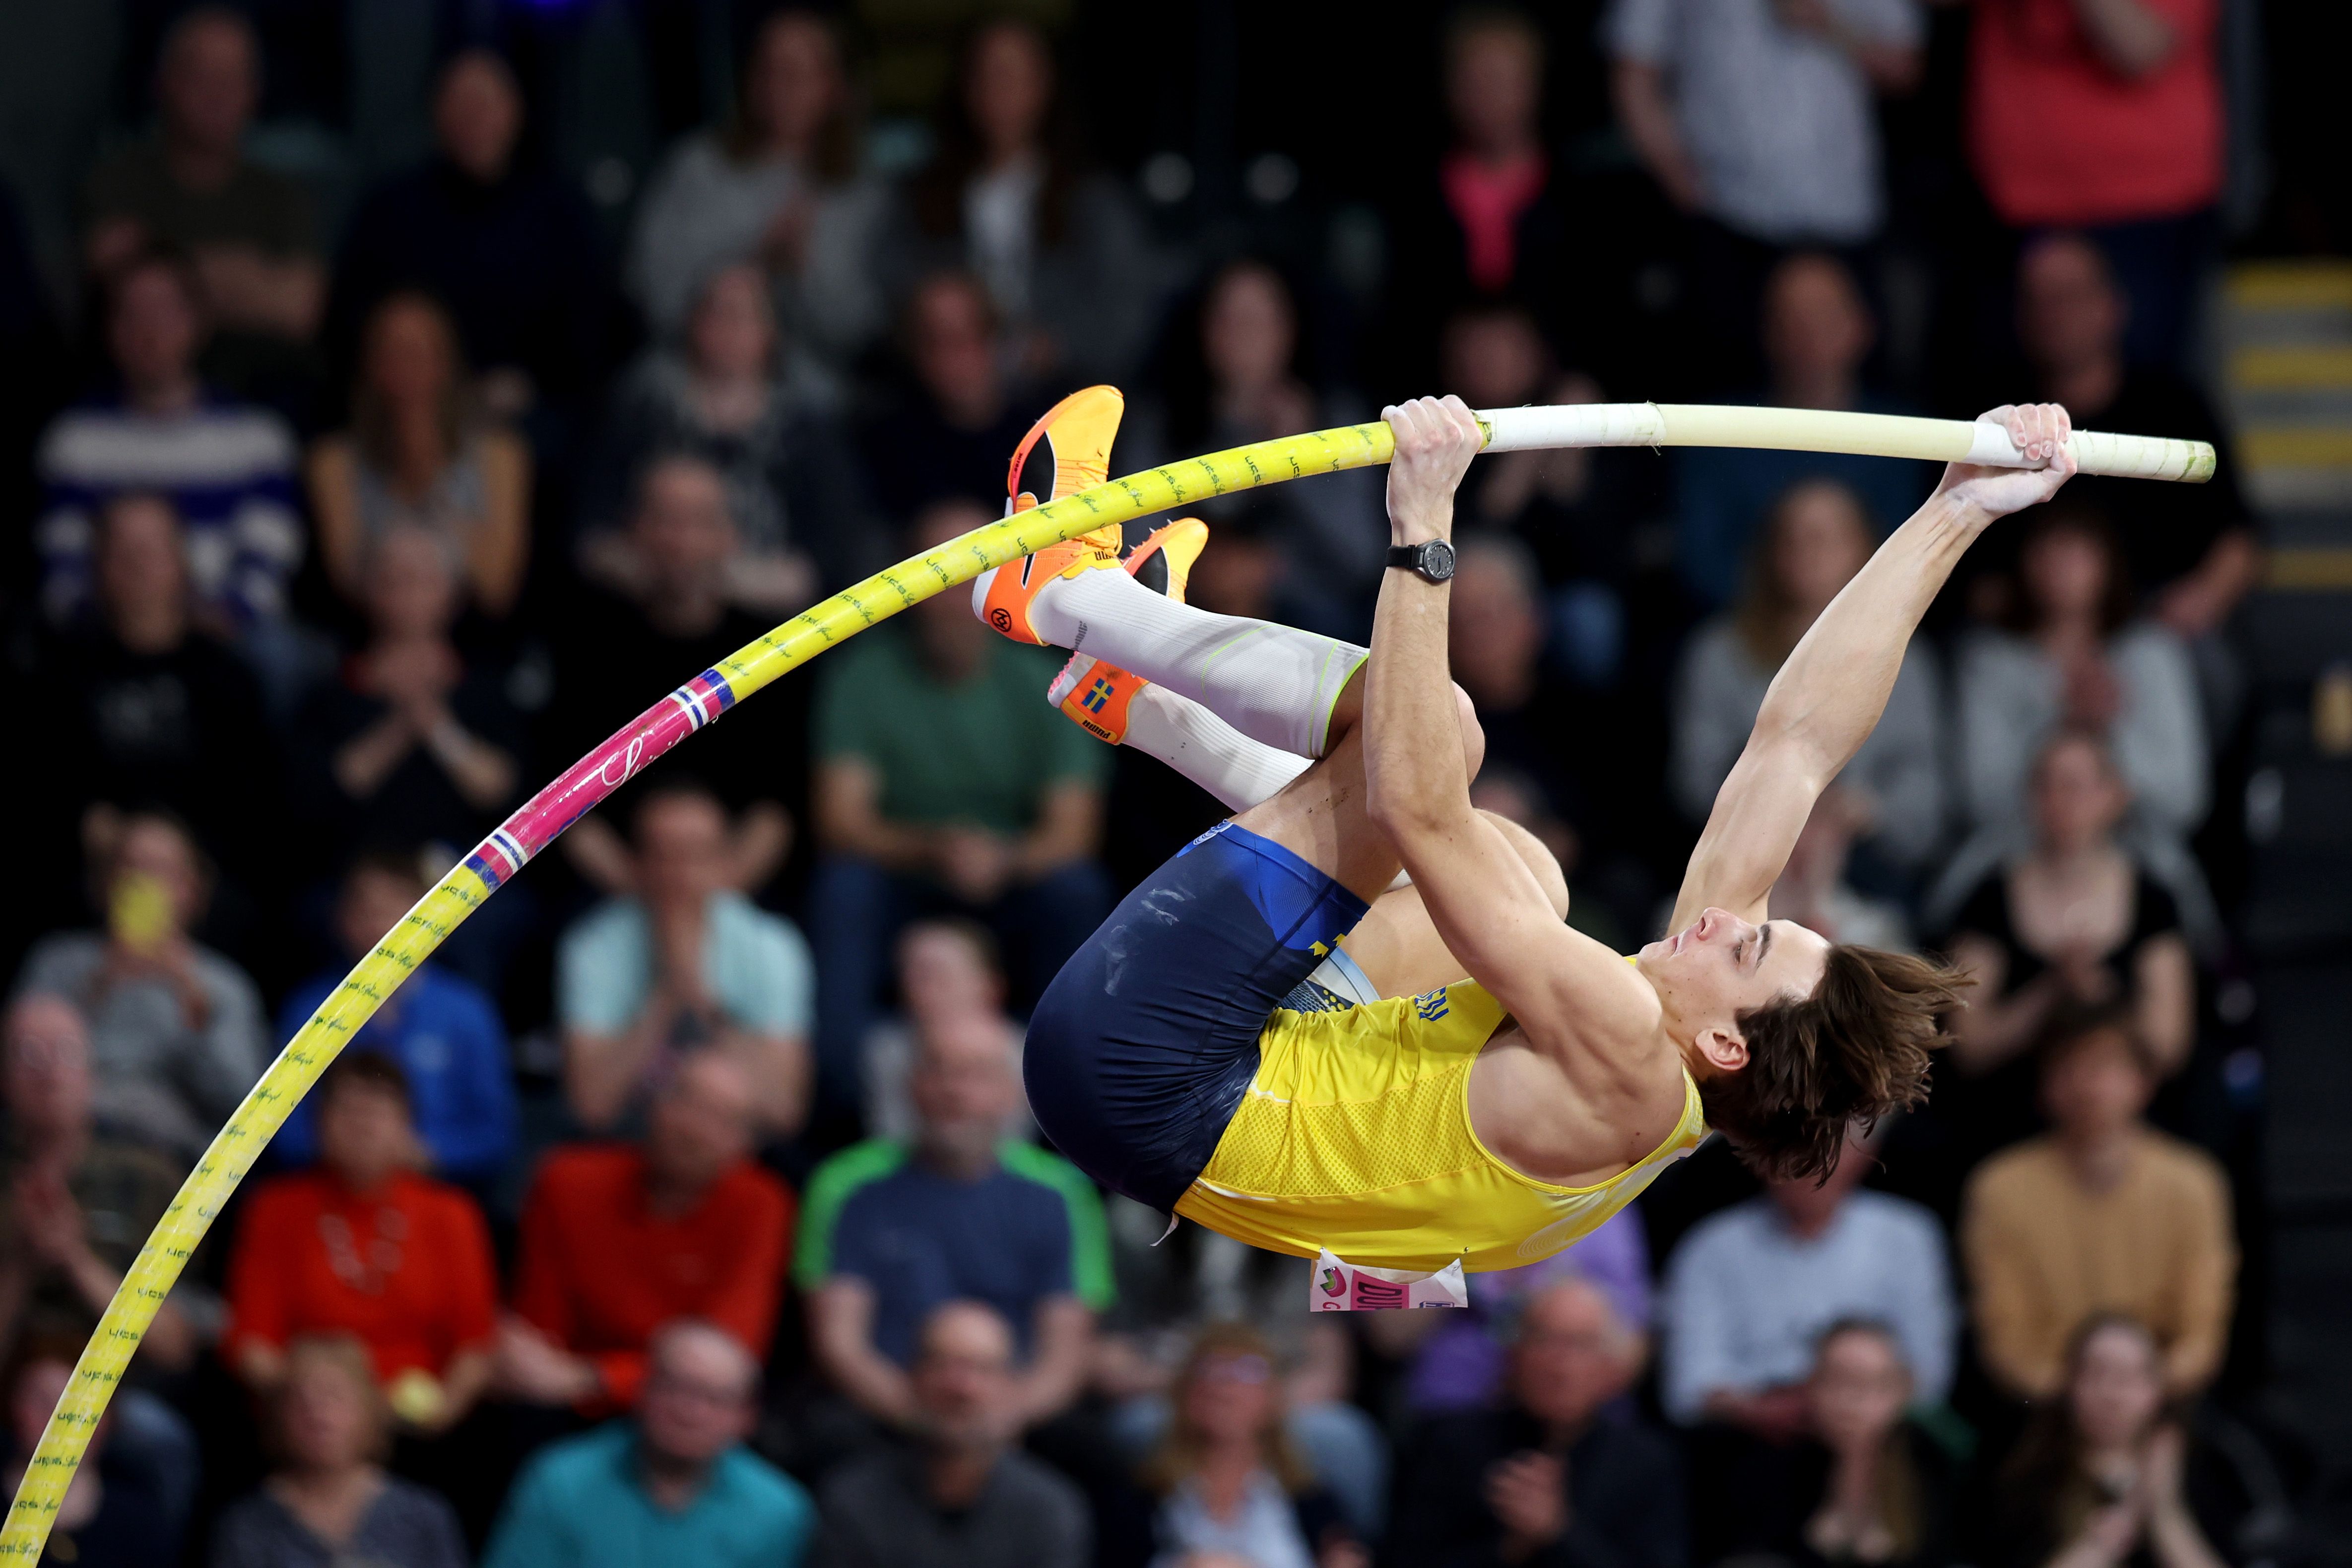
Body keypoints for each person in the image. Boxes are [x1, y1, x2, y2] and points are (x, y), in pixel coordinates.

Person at [975, 388, 2074, 1275]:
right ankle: (1136, 692)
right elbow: (1795, 743)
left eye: (1744, 947)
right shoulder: (1679, 1049)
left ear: (1730, 1042)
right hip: (1248, 1067)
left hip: (1141, 1072)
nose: (1727, 923)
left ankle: (1063, 594)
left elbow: (1414, 799)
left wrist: (1425, 525)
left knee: (1438, 736)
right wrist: (1953, 514)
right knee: (1522, 873)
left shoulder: (1624, 1052)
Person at [810, 496, 1112, 1093]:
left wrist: (1001, 859)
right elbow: (841, 823)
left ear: (999, 583)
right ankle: (839, 1094)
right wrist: (935, 848)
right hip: (906, 874)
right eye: (934, 576)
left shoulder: (1044, 678)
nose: (949, 598)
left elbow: (1072, 831)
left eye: (967, 574)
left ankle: (1074, 1090)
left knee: (1077, 889)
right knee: (843, 888)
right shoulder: (862, 675)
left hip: (1011, 877)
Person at [797, 1022, 1108, 1431]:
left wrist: (993, 1423)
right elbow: (841, 1345)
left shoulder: (1062, 1193)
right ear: (910, 1086)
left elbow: (1064, 1356)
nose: (954, 1090)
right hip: (886, 1414)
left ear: (1013, 1092)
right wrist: (927, 1423)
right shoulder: (848, 1186)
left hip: (1015, 1422)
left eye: (976, 1073)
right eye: (938, 1070)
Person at [1607, 0, 1923, 382]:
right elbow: (1633, 65)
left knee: (1863, 397)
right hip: (1729, 216)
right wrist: (1683, 187)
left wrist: (1829, 24)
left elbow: (1905, 66)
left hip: (1844, 215)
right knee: (1726, 389)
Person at [544, 453, 804, 897]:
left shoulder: (769, 651)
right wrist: (644, 895)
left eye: (699, 523)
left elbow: (779, 805)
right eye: (666, 521)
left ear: (730, 537)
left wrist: (711, 899)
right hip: (614, 891)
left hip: (734, 895)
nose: (681, 543)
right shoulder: (587, 644)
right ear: (636, 530)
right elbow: (563, 799)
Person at [1937, 731, 2196, 1165]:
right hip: (2013, 1122)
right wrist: (2050, 991)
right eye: (2047, 785)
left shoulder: (2153, 901)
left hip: (2132, 1119)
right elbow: (1968, 1044)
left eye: (2076, 786)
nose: (2060, 800)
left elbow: (2169, 1045)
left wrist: (2102, 992)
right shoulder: (1987, 901)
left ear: (2116, 796)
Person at [1673, 478, 1946, 877]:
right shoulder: (1717, 652)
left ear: (1865, 549)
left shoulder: (1905, 657)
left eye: (1824, 537)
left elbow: (1927, 792)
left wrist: (1865, 809)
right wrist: (1778, 796)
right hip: (1741, 862)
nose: (1805, 551)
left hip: (1868, 866)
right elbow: (1692, 781)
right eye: (1790, 536)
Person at [327, 49, 612, 426]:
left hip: (534, 409)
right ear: (435, 113)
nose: (474, 117)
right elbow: (350, 324)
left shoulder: (562, 211)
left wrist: (531, 384)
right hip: (413, 407)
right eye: (460, 103)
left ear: (515, 111)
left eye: (487, 103)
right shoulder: (392, 210)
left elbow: (593, 329)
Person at [1961, 1011, 2236, 1401]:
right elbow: (2005, 1338)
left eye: (2103, 1066)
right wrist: (2084, 1399)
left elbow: (2202, 1332)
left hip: (2159, 1400)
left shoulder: (2193, 1183)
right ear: (2044, 1083)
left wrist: (2136, 1393)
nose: (2086, 1085)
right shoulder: (1999, 1188)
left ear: (2144, 1081)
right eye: (2067, 1067)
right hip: (2048, 1407)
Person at [498, 1053, 793, 1415]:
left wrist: (598, 1379)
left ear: (747, 1144)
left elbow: (729, 1349)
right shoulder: (568, 1182)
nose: (694, 1130)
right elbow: (540, 1330)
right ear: (654, 1105)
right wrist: (556, 1375)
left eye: (723, 1120)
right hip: (561, 1400)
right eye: (686, 1102)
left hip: (684, 1409)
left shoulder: (761, 1205)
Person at [224, 1053, 499, 1436]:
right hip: (307, 1420)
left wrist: (442, 1413)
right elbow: (252, 1347)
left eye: (380, 1108)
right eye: (348, 1107)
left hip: (420, 1428)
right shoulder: (275, 1210)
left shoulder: (452, 1214)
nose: (363, 1121)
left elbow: (475, 1346)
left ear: (409, 1128)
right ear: (318, 1124)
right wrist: (319, 1405)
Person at [34, 250, 302, 632]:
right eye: (132, 313)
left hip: (227, 633)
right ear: (109, 329)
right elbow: (65, 575)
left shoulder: (257, 439)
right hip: (111, 634)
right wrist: (132, 628)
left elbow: (267, 564)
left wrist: (206, 621)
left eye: (165, 310)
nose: (150, 329)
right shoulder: (73, 442)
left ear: (198, 321)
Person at [626, 9, 891, 394]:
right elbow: (648, 289)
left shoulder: (864, 193)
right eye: (766, 69)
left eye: (796, 74)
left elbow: (867, 328)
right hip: (691, 380)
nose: (777, 87)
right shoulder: (696, 168)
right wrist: (750, 264)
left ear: (835, 87)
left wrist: (802, 274)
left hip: (818, 395)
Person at [35, 493, 282, 891]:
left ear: (181, 562)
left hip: (202, 880)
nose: (137, 565)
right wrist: (96, 827)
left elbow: (252, 802)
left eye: (151, 550)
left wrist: (175, 853)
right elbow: (44, 781)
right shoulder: (59, 675)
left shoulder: (227, 676)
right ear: (98, 564)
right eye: (122, 550)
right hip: (90, 880)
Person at [2008, 233, 2252, 631]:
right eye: (2037, 298)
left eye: (2069, 295)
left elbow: (2239, 537)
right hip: (2031, 636)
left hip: (2160, 623)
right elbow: (1974, 580)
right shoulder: (2000, 420)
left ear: (2112, 306)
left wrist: (2197, 603)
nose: (2052, 313)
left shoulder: (2176, 408)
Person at [892, 18, 1157, 385]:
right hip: (947, 409)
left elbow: (1128, 316)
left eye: (1014, 75)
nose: (999, 89)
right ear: (965, 86)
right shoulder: (923, 196)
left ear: (1046, 85)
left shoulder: (1095, 200)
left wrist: (1057, 348)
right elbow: (896, 301)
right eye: (986, 74)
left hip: (1064, 406)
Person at [586, 262, 874, 596]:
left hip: (765, 623)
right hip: (640, 611)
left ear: (773, 330)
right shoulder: (642, 411)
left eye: (744, 315)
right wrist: (670, 577)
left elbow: (830, 562)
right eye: (716, 312)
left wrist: (718, 579)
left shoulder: (809, 432)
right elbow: (591, 535)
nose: (729, 329)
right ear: (692, 321)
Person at [1968, 2, 2225, 373]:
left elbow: (2140, 49)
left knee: (2143, 389)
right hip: (2015, 202)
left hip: (2143, 204)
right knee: (2002, 391)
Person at [1671, 254, 1935, 607]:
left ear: (1863, 325)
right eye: (1790, 317)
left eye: (1823, 314)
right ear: (1767, 330)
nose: (1808, 331)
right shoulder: (1715, 428)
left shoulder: (1907, 432)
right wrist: (1788, 605)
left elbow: (1913, 558)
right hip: (1746, 631)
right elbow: (1703, 561)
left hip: (1873, 622)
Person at [556, 783, 814, 1134]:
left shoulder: (772, 944)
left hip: (734, 1146)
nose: (680, 874)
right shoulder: (593, 947)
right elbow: (591, 1106)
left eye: (696, 855)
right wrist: (666, 995)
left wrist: (699, 997)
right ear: (637, 863)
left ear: (724, 862)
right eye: (664, 854)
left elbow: (783, 1108)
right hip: (630, 1143)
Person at [1659, 1124, 1955, 1430]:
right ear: (1757, 1159)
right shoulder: (1709, 1248)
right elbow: (1689, 1391)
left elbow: (1929, 1376)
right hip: (1752, 1438)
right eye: (1791, 1153)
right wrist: (1767, 1411)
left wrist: (1849, 1404)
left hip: (1880, 1430)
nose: (1807, 1168)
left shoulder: (1908, 1236)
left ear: (1863, 1155)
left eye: (1824, 1152)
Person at [13, 809, 265, 1164]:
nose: (143, 882)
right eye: (130, 867)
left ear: (191, 889)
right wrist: (99, 985)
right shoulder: (57, 961)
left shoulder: (225, 985)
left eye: (160, 870)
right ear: (106, 882)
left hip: (160, 1159)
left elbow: (242, 1105)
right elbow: (20, 1067)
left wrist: (193, 1000)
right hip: (55, 1146)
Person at [1130, 259, 1386, 602]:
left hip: (1303, 620)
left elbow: (1362, 555)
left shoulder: (1334, 417)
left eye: (1259, 321)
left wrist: (1298, 456)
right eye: (1228, 320)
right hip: (1187, 602)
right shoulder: (1162, 421)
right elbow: (1131, 543)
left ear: (1290, 329)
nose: (1244, 336)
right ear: (1203, 329)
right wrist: (1205, 568)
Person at [1954, 504, 2206, 849]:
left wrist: (2110, 730)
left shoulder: (2151, 657)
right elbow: (1983, 803)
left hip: (2138, 857)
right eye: (2047, 552)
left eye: (2076, 550)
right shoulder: (1990, 663)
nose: (2061, 568)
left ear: (2109, 561)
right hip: (2019, 857)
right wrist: (2064, 721)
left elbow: (2183, 801)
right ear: (2024, 563)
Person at [1389, 1279, 1687, 1568]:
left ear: (1614, 1370)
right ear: (1512, 1355)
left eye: (1580, 1345)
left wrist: (1558, 1534)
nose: (1559, 1365)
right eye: (1544, 1340)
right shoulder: (1451, 1445)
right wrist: (1509, 1550)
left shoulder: (1646, 1464)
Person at [483, 1319, 816, 1568]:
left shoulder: (778, 1511)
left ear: (746, 1418)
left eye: (715, 1399)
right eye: (676, 1387)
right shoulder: (559, 1481)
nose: (690, 1412)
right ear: (642, 1391)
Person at [271, 850, 517, 1184]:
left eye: (397, 913)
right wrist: (350, 1151)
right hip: (326, 1188)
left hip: (436, 1191)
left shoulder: (467, 1012)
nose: (381, 927)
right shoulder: (309, 1010)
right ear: (342, 920)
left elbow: (495, 1134)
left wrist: (424, 1152)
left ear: (433, 922)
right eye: (367, 912)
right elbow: (277, 1128)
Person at [82, 7, 323, 348]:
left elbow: (300, 308)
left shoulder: (280, 196)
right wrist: (248, 276)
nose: (217, 94)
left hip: (260, 391)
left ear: (255, 92)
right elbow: (113, 277)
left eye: (232, 78)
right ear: (164, 83)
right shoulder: (119, 182)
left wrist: (164, 262)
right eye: (202, 75)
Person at [296, 524, 524, 863]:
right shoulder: (330, 692)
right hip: (360, 874)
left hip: (469, 874)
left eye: (422, 579)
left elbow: (501, 789)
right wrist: (402, 725)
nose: (407, 595)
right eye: (392, 580)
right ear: (367, 590)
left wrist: (436, 727)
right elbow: (320, 795)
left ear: (452, 592)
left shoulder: (486, 687)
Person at [0, 995, 200, 1372]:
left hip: (122, 1398)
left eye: (65, 1051)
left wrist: (74, 1259)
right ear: (5, 1078)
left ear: (92, 1071)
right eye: (28, 1054)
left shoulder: (149, 1177)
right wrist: (22, 1263)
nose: (49, 1071)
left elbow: (175, 1345)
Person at [811, 1300, 1092, 1568]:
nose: (961, 1387)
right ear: (913, 1377)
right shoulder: (853, 1500)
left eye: (982, 1368)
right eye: (943, 1364)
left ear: (1010, 1385)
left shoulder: (1049, 1510)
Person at [306, 290, 531, 616]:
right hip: (374, 633)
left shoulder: (500, 455)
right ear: (370, 366)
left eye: (421, 352)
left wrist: (432, 482)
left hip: (472, 634)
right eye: (394, 353)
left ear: (447, 363)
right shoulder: (333, 461)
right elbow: (349, 581)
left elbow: (497, 588)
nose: (409, 367)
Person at [1985, 1315, 2239, 1568]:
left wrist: (2164, 1511)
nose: (2110, 1394)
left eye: (2128, 1377)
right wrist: (2104, 1542)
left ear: (2157, 1390)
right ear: (2070, 1385)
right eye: (2096, 1373)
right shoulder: (2028, 1481)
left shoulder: (2204, 1472)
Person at [1708, 1320, 1964, 1568]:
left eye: (1869, 1383)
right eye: (1836, 1380)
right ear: (1811, 1386)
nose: (1851, 1401)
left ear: (1902, 1390)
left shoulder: (1933, 1465)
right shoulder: (1769, 1466)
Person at [209, 1333, 468, 1568]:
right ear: (278, 1418)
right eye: (302, 1402)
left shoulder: (425, 1517)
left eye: (334, 1397)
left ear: (369, 1412)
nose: (318, 1414)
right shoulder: (245, 1524)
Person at [1119, 1323, 1365, 1568]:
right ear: (1185, 1396)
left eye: (1247, 1371)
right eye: (1210, 1370)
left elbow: (1345, 1556)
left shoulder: (1310, 1499)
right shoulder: (1143, 1495)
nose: (1225, 1387)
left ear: (1273, 1397)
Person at [857, 271, 1034, 524]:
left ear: (994, 339)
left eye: (965, 336)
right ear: (912, 351)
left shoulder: (1040, 431)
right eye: (935, 342)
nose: (952, 358)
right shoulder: (888, 443)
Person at [1, 1323, 176, 1568]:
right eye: (42, 1400)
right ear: (12, 1406)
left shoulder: (139, 1522)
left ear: (110, 1416)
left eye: (80, 1406)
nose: (60, 1420)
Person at [860, 919, 1032, 1145]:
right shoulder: (886, 1050)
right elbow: (890, 1145)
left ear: (989, 985)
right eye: (908, 974)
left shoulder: (1026, 1050)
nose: (914, 987)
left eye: (933, 974)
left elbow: (1013, 1152)